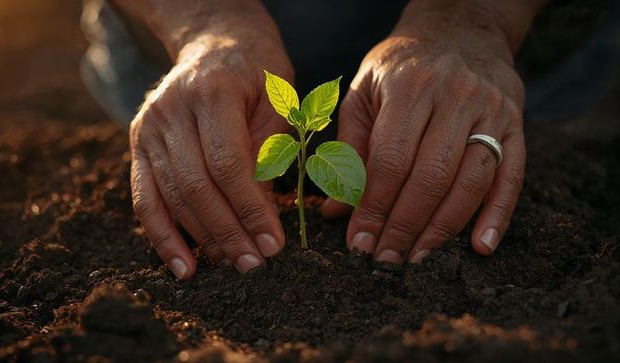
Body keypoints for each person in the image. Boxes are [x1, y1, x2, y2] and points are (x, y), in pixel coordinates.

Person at [79, 0, 609, 280]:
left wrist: (476, 18)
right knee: (204, 160)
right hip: (196, 73)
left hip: (502, 67)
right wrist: (206, 24)